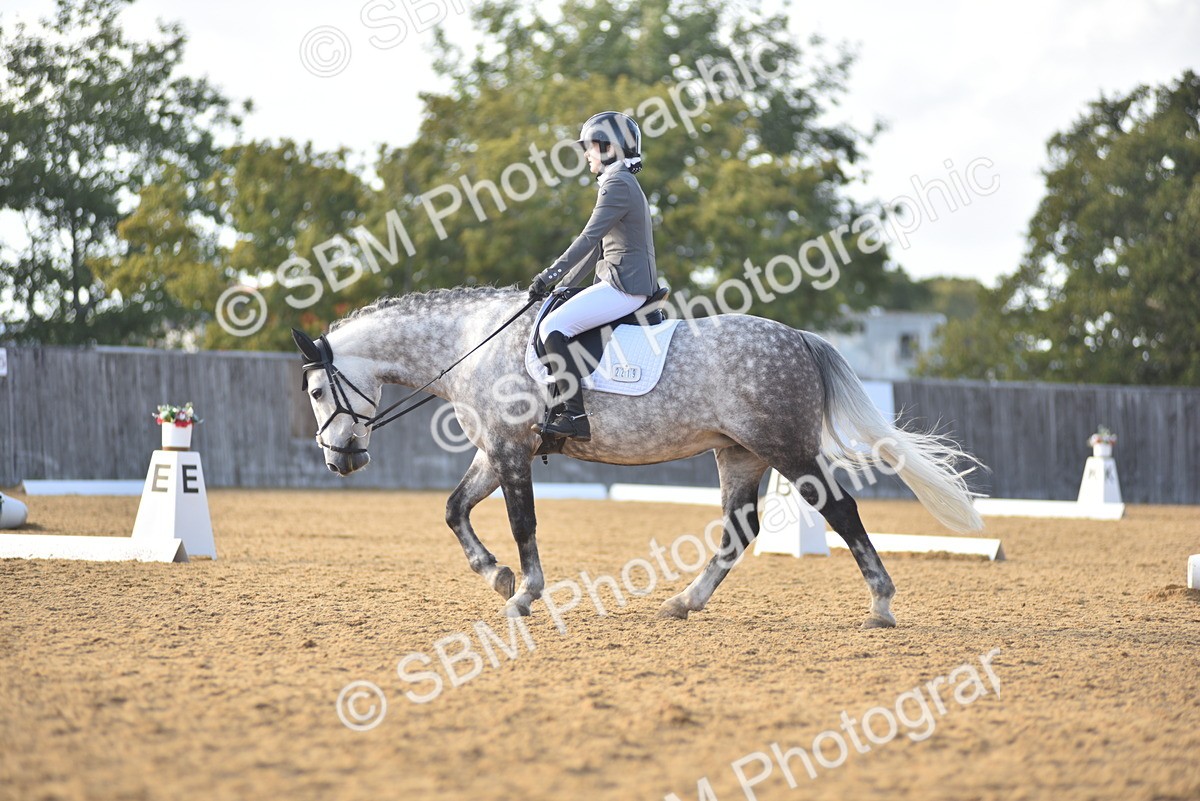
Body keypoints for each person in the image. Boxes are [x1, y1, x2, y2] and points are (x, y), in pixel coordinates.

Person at [529, 111, 659, 442]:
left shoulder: (617, 183)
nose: (586, 154)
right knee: (556, 314)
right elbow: (594, 249)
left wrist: (548, 275)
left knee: (551, 327)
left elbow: (586, 238)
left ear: (608, 147)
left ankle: (575, 416)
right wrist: (559, 287)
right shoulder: (620, 182)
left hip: (624, 285)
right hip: (621, 280)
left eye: (589, 147)